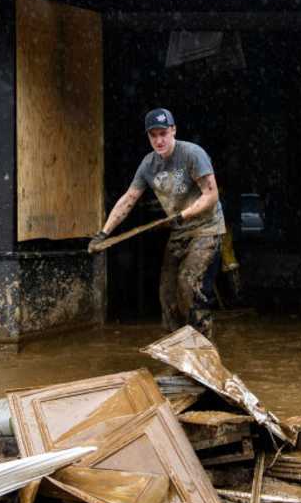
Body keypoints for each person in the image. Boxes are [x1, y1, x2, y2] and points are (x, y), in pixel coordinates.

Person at [92, 108, 225, 339]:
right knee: (167, 294)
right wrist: (104, 233)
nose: (159, 140)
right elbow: (129, 199)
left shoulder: (193, 154)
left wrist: (184, 215)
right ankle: (178, 354)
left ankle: (204, 351)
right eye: (153, 135)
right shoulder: (148, 165)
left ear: (173, 130)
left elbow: (211, 195)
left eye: (163, 133)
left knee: (188, 285)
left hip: (206, 229)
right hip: (179, 232)